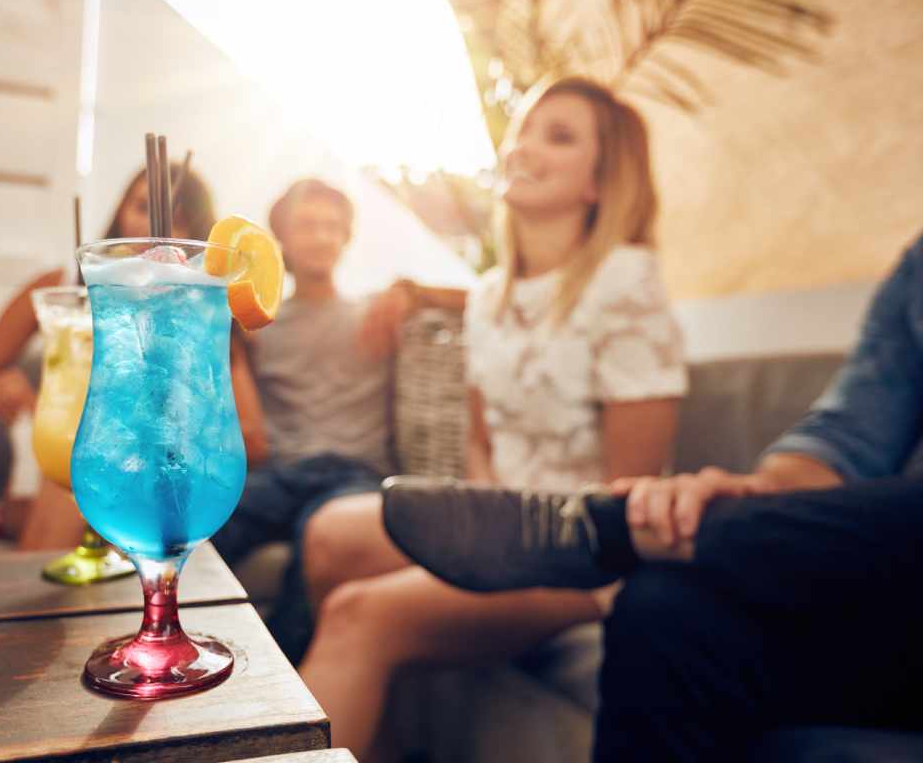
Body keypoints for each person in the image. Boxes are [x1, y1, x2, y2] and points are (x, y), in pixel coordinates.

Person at [382, 232, 923, 762]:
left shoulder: (624, 282)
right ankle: (618, 532)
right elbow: (846, 438)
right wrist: (755, 495)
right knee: (662, 609)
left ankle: (604, 529)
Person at [294, 77, 689, 760]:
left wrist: (511, 550)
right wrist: (482, 527)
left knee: (358, 614)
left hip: (583, 553)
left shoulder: (627, 282)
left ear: (600, 181)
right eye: (523, 130)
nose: (523, 147)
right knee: (329, 531)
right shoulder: (487, 297)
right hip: (502, 520)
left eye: (558, 137)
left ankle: (357, 688)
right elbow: (482, 438)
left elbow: (629, 492)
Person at [0, 164, 265, 544]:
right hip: (55, 474)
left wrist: (182, 431)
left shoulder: (198, 310)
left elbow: (253, 439)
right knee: (87, 467)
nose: (153, 228)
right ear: (121, 210)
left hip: (152, 482)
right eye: (142, 207)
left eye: (179, 220)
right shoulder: (63, 285)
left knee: (135, 484)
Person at [210, 177, 404, 652]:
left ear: (346, 238)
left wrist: (413, 291)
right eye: (307, 225)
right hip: (284, 474)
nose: (321, 237)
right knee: (204, 520)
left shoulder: (376, 312)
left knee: (318, 541)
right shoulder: (255, 323)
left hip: (355, 474)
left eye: (333, 226)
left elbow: (477, 302)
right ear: (282, 238)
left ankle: (284, 669)